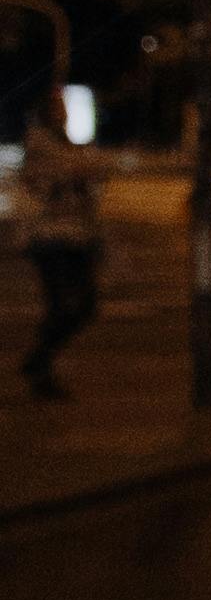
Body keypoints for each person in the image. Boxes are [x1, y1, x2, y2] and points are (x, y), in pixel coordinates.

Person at [18, 103, 105, 399]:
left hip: (78, 238)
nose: (65, 112)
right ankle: (41, 369)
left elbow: (94, 179)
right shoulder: (39, 144)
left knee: (86, 305)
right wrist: (79, 169)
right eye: (58, 107)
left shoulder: (69, 145)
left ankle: (38, 360)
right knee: (62, 306)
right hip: (50, 239)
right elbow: (42, 183)